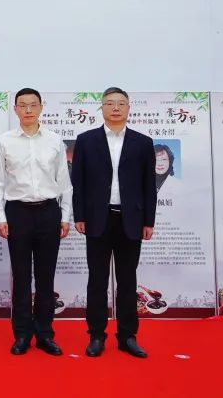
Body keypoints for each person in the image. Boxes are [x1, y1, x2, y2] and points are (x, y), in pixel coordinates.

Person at [71, 87, 156, 359]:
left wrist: (149, 220)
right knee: (96, 280)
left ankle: (127, 336)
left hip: (131, 220)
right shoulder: (86, 140)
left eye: (121, 103)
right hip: (98, 218)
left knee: (127, 280)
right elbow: (78, 183)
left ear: (129, 108)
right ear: (102, 108)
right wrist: (79, 215)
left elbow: (149, 186)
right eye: (110, 103)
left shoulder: (143, 142)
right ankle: (96, 335)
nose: (116, 108)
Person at [0, 88, 71, 357]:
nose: (28, 110)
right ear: (15, 109)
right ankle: (22, 334)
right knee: (21, 276)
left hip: (49, 212)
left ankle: (45, 334)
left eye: (33, 105)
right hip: (18, 213)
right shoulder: (4, 141)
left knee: (46, 278)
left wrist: (65, 216)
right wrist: (0, 216)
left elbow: (64, 182)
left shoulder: (54, 140)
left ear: (41, 107)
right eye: (22, 105)